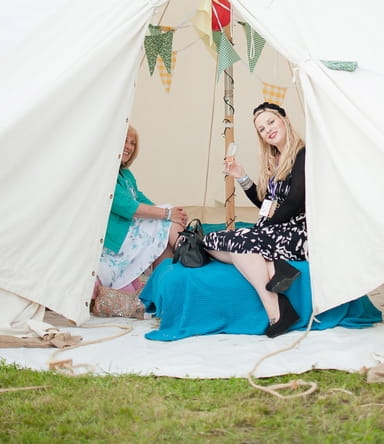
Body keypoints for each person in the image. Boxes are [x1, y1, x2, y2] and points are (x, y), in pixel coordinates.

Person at [203, 102, 307, 338]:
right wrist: (242, 177)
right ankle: (274, 267)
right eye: (261, 128)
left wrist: (259, 231)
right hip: (275, 229)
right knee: (209, 242)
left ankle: (275, 310)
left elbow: (294, 203)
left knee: (240, 243)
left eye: (271, 122)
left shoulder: (303, 154)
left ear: (284, 120)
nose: (267, 129)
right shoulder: (274, 159)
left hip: (296, 232)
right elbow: (265, 205)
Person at [97, 125, 188, 293]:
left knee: (165, 226)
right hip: (116, 240)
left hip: (129, 234)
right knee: (166, 219)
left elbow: (139, 197)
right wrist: (167, 213)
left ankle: (164, 283)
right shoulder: (106, 174)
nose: (129, 147)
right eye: (125, 141)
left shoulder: (126, 174)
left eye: (132, 143)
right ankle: (188, 252)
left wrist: (172, 213)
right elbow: (127, 207)